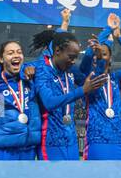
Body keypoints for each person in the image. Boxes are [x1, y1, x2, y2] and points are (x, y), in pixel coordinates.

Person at [28, 23, 106, 161]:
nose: (73, 61)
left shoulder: (69, 69)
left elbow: (93, 84)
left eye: (76, 57)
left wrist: (99, 60)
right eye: (71, 56)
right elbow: (49, 102)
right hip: (51, 140)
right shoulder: (41, 69)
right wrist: (82, 90)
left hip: (71, 139)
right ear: (57, 51)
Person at [83, 11, 121, 160]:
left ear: (110, 59)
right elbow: (95, 58)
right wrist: (108, 29)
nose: (100, 57)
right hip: (97, 140)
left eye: (104, 54)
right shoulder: (87, 78)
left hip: (120, 140)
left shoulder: (116, 79)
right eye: (97, 54)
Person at [0, 40, 41, 160]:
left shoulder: (30, 79)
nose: (16, 55)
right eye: (10, 53)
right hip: (4, 150)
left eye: (19, 52)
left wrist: (64, 26)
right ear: (1, 58)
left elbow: (47, 60)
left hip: (28, 149)